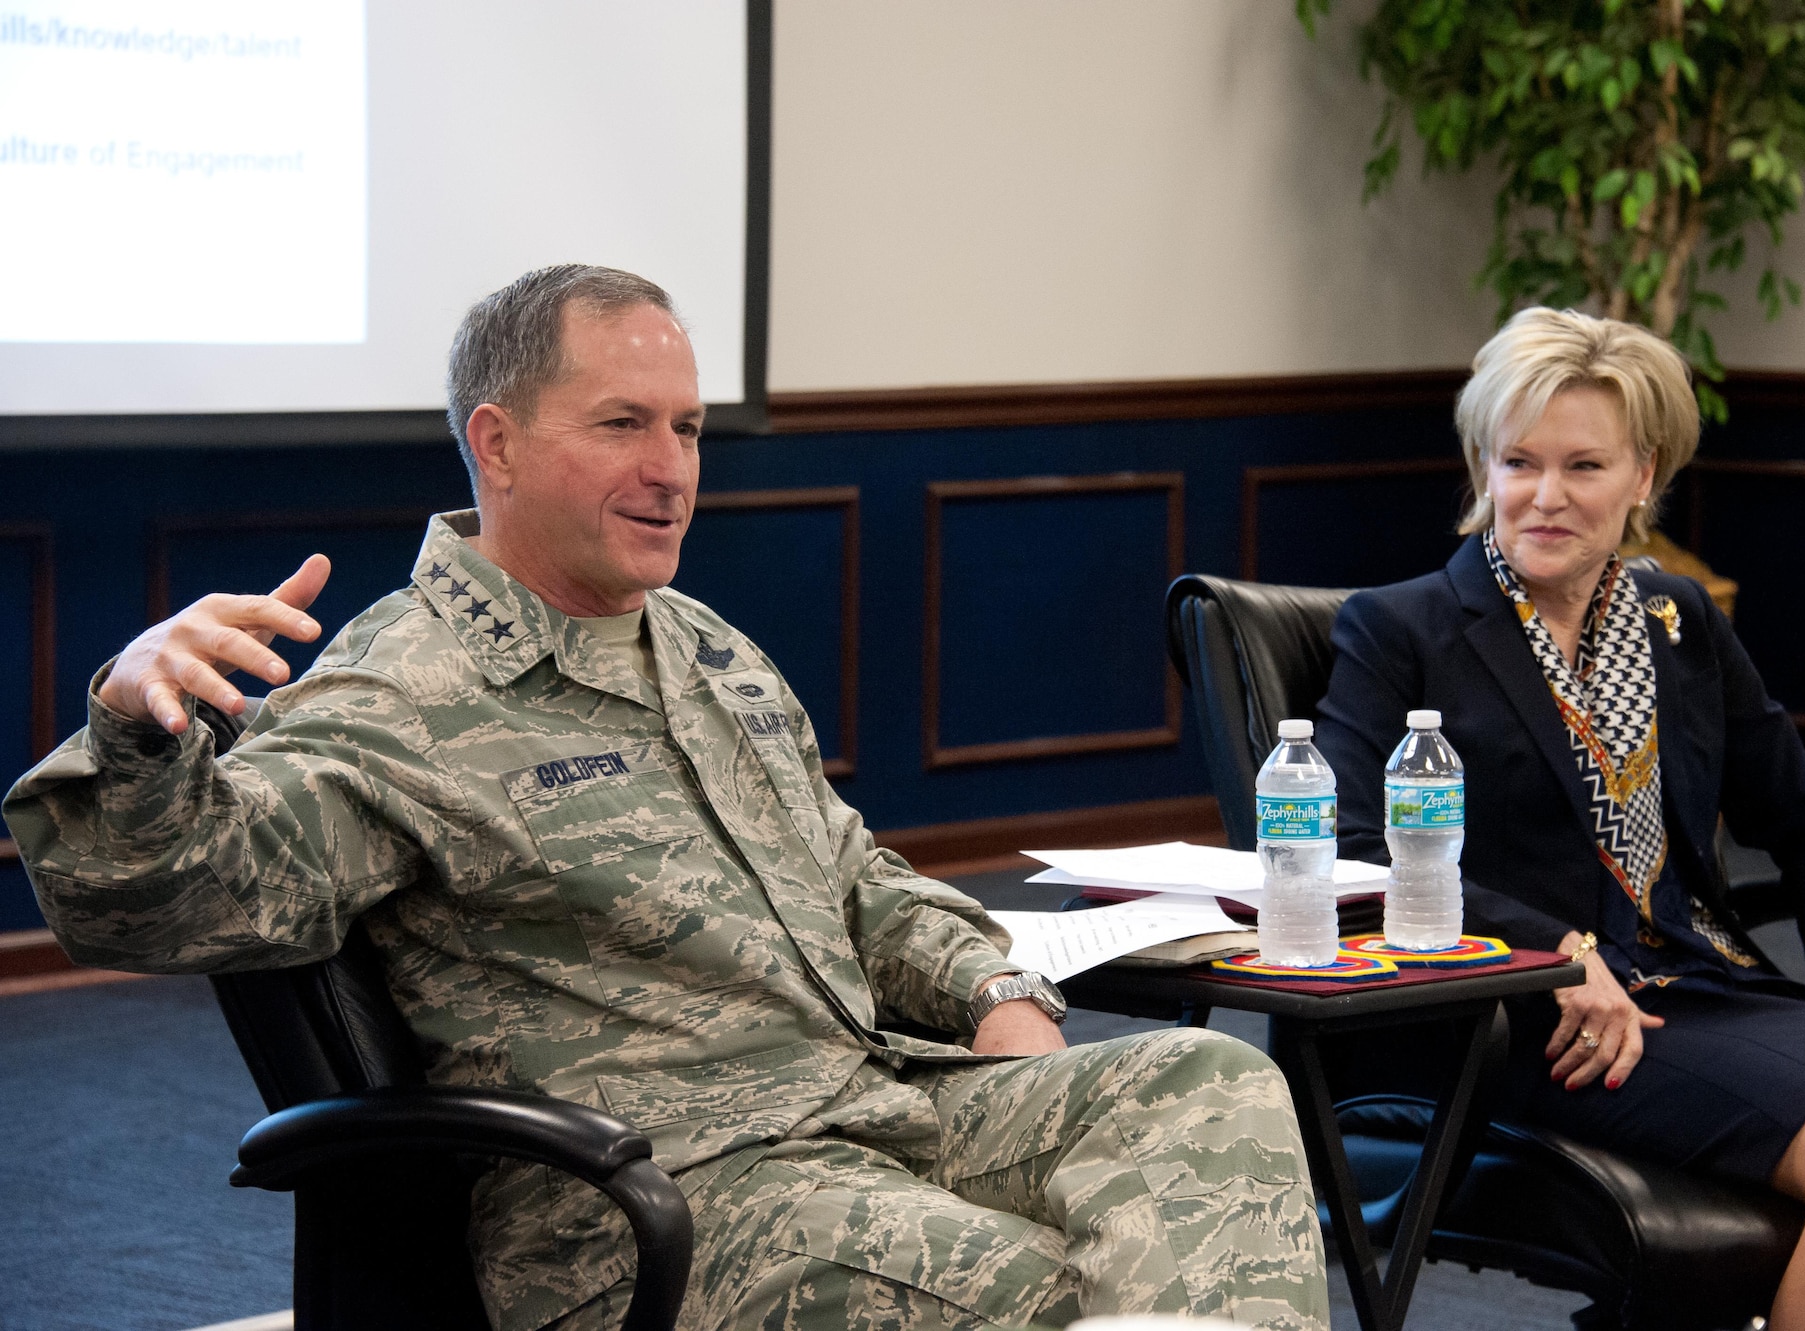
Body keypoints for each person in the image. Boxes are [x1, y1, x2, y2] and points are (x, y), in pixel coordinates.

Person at [3, 265, 1329, 1331]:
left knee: (1206, 1090)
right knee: (1055, 1284)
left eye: (687, 426)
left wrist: (992, 995)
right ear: (497, 443)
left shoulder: (702, 646)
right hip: (667, 1192)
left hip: (868, 1107)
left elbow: (851, 873)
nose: (675, 465)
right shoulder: (401, 687)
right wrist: (134, 721)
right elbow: (177, 896)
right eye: (624, 424)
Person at [1316, 306, 1805, 1331]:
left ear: (1643, 476)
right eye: (1517, 461)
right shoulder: (1401, 626)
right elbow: (1345, 853)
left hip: (1689, 981)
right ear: (1480, 465)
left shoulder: (1674, 620)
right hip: (1514, 1018)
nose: (1543, 496)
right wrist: (1548, 949)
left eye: (1583, 466)